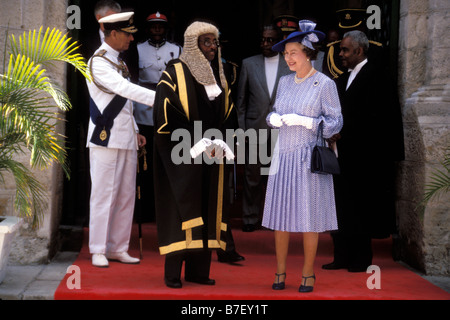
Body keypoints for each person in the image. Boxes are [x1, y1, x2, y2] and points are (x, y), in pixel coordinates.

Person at [153, 20, 235, 288]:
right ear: (193, 44)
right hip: (184, 154)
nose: (213, 47)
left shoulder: (219, 73)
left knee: (208, 208)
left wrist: (224, 142)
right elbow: (165, 114)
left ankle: (199, 272)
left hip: (213, 153)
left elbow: (228, 114)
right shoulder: (174, 72)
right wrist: (195, 142)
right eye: (206, 42)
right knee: (182, 210)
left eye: (215, 42)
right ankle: (173, 273)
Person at [262, 20, 343, 292]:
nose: (287, 58)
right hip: (283, 155)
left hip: (309, 157)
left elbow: (335, 122)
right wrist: (273, 117)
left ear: (308, 51)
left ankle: (308, 274)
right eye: (285, 53)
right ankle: (280, 272)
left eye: (292, 52)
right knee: (280, 217)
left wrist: (310, 122)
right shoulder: (284, 82)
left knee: (309, 218)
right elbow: (275, 110)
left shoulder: (324, 83)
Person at [322, 30, 404, 272]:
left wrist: (344, 133)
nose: (340, 54)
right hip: (343, 155)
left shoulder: (378, 76)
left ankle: (360, 259)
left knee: (361, 209)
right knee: (341, 206)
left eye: (345, 50)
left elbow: (380, 119)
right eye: (340, 50)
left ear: (359, 50)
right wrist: (333, 132)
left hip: (367, 158)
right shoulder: (342, 78)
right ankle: (342, 256)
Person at [86, 12, 156, 268]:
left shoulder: (120, 62)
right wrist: (161, 98)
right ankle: (97, 248)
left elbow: (124, 104)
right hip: (105, 137)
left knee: (126, 194)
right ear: (113, 33)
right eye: (127, 34)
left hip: (125, 136)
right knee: (104, 194)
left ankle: (118, 247)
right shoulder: (99, 61)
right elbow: (125, 90)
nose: (131, 39)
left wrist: (136, 129)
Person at [236, 24, 291, 232]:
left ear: (279, 41)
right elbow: (240, 102)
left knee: (278, 178)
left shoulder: (289, 64)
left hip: (282, 131)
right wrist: (242, 131)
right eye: (263, 39)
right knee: (252, 178)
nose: (266, 44)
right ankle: (250, 218)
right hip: (254, 129)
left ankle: (275, 219)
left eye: (270, 40)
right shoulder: (249, 64)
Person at [134, 11, 182, 222]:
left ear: (165, 29)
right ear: (148, 29)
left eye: (160, 26)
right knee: (145, 164)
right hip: (143, 111)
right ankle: (144, 210)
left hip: (167, 110)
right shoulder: (137, 49)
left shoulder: (176, 50)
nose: (156, 30)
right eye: (153, 26)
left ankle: (165, 211)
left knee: (166, 163)